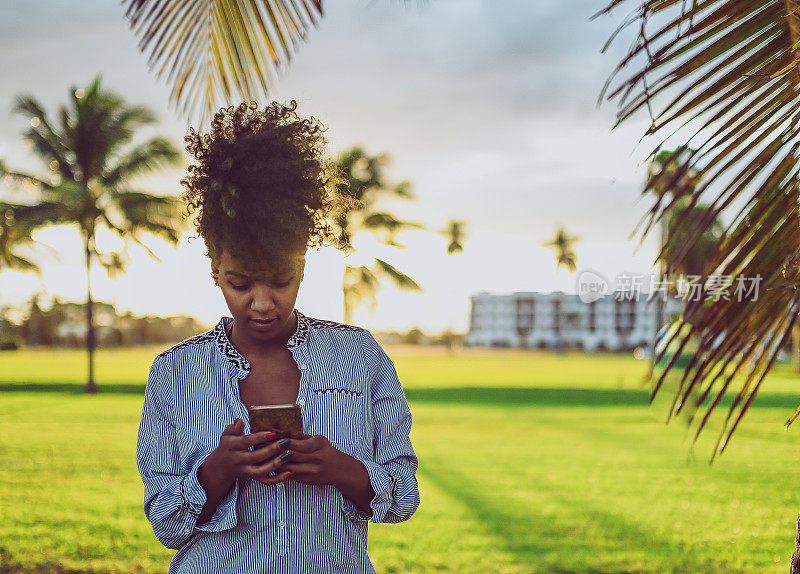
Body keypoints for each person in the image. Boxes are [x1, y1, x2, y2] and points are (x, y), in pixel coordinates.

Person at [136, 101, 420, 573]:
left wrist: (344, 470)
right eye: (240, 283)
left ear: (303, 267)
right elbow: (166, 525)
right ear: (214, 271)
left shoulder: (359, 356)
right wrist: (218, 470)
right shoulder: (174, 373)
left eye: (280, 279)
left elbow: (403, 496)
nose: (262, 303)